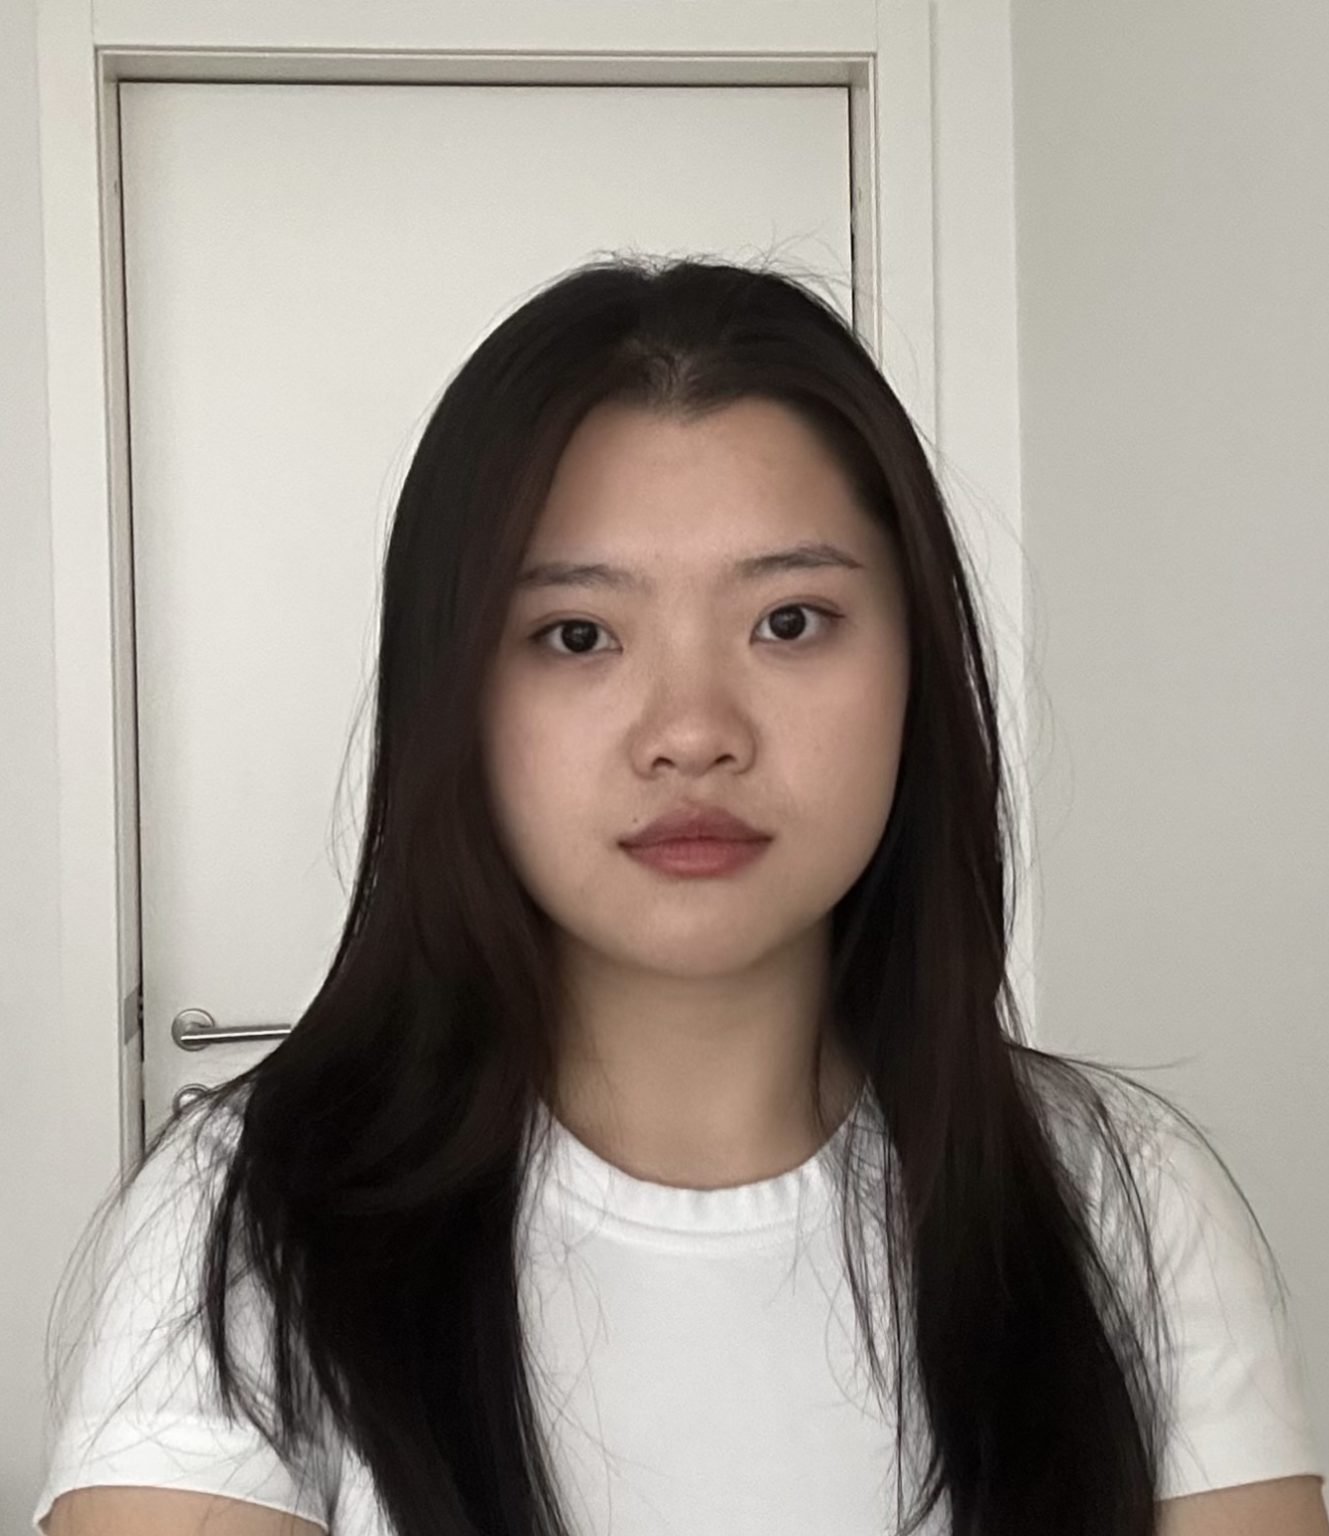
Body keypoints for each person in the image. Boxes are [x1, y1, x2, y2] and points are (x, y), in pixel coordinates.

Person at [34, 255, 1326, 1536]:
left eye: (790, 622)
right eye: (578, 636)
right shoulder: (250, 1222)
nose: (693, 732)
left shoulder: (1118, 1200)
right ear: (455, 697)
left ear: (915, 667)